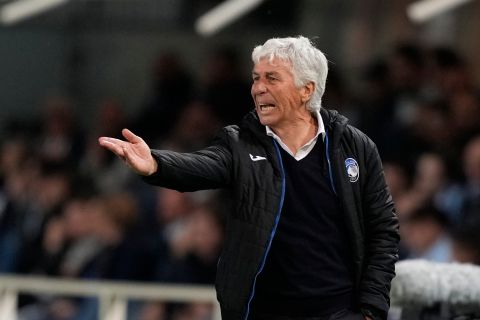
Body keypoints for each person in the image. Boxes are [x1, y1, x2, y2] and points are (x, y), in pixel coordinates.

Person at [99, 36, 400, 320]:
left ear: (306, 89)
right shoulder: (240, 143)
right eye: (256, 78)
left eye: (272, 78)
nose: (258, 88)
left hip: (338, 311)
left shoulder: (355, 146)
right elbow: (201, 166)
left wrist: (372, 309)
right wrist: (155, 163)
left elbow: (383, 230)